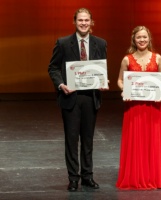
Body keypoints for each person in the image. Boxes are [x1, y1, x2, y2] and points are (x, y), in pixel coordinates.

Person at [48, 8, 108, 191]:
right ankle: (73, 178)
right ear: (75, 22)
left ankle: (87, 176)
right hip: (70, 97)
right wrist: (60, 85)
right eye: (80, 20)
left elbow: (100, 69)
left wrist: (103, 81)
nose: (83, 23)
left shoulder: (100, 43)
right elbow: (53, 68)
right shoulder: (64, 43)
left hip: (91, 98)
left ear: (91, 22)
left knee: (88, 139)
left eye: (86, 20)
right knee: (72, 139)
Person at [116, 26, 161, 190]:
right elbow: (119, 80)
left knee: (152, 141)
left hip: (153, 105)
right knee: (136, 140)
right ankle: (135, 176)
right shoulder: (127, 59)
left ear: (149, 39)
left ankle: (152, 176)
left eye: (145, 37)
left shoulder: (158, 58)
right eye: (139, 37)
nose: (142, 40)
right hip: (134, 106)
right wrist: (124, 90)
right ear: (134, 39)